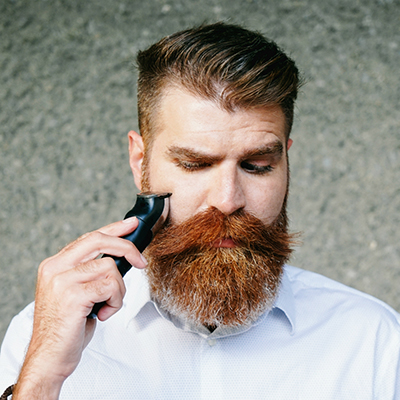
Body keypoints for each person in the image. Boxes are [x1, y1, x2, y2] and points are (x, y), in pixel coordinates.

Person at [0, 22, 399, 400]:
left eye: (257, 165)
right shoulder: (42, 335)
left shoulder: (373, 341)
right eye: (195, 164)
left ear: (286, 164)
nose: (227, 200)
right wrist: (40, 382)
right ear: (140, 161)